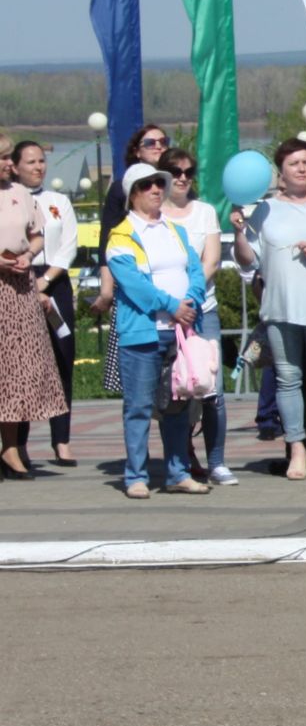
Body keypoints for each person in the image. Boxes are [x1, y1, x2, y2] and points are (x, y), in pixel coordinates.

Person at [231, 139, 306, 481]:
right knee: (287, 379)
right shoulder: (266, 209)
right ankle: (296, 448)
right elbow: (248, 260)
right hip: (280, 307)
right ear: (281, 172)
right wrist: (240, 233)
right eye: (294, 163)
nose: (301, 168)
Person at [103, 162, 206, 499]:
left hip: (179, 333)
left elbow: (195, 269)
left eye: (159, 184)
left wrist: (190, 301)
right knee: (139, 406)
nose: (156, 190)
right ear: (133, 194)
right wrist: (172, 306)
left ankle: (178, 473)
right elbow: (134, 285)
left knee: (178, 407)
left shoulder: (176, 231)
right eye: (147, 185)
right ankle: (136, 475)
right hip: (143, 334)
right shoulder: (120, 236)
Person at [159, 148, 235, 486]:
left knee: (211, 388)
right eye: (175, 171)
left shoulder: (204, 212)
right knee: (176, 389)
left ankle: (216, 461)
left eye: (188, 172)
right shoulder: (154, 214)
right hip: (164, 314)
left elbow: (212, 261)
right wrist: (172, 303)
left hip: (202, 311)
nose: (182, 177)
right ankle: (181, 455)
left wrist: (189, 297)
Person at [0, 135, 69, 479]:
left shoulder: (20, 194)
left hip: (20, 288)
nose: (7, 165)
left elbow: (37, 233)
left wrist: (27, 254)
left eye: (7, 158)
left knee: (17, 369)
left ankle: (11, 447)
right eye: (1, 158)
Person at [94, 123, 174, 397]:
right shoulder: (121, 189)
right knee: (139, 383)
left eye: (163, 141)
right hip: (136, 286)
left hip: (175, 287)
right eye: (150, 143)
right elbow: (107, 240)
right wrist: (106, 290)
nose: (159, 146)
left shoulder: (179, 183)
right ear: (137, 151)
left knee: (182, 380)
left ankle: (181, 435)